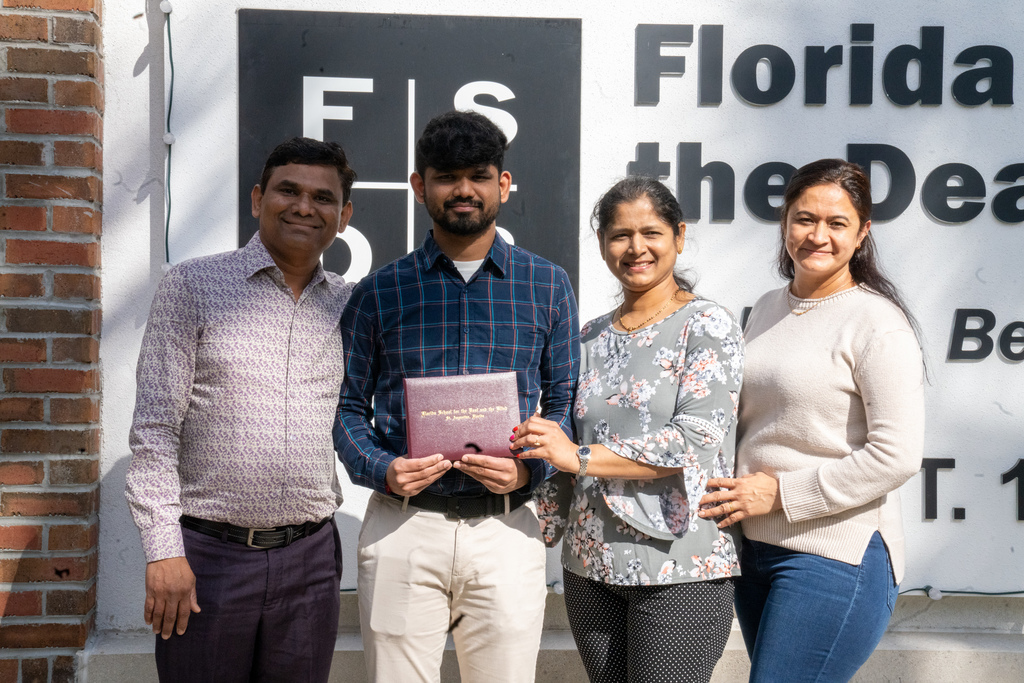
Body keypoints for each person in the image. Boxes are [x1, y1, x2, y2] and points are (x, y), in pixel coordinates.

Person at [334, 110, 580, 682]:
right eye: (446, 175)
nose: (463, 189)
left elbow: (565, 403)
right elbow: (346, 408)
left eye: (478, 174)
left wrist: (528, 475)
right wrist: (383, 468)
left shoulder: (547, 284)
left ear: (504, 183)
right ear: (420, 186)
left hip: (507, 528)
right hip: (403, 528)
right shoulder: (379, 291)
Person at [125, 137, 356, 682]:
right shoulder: (193, 286)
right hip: (207, 558)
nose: (304, 206)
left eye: (323, 198)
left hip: (311, 558)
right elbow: (155, 431)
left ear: (343, 216)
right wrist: (163, 552)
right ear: (257, 198)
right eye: (288, 190)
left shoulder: (352, 304)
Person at [698, 159, 925, 682]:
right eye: (804, 219)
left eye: (837, 223)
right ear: (784, 223)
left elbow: (897, 455)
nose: (817, 236)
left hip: (834, 555)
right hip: (754, 552)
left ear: (863, 232)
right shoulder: (765, 309)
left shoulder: (877, 323)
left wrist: (779, 494)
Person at [513, 176, 743, 683]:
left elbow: (695, 441)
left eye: (651, 233)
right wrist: (519, 526)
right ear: (601, 245)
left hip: (680, 567)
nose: (636, 248)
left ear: (678, 237)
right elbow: (561, 447)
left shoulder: (707, 324)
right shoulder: (588, 335)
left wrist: (581, 457)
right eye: (620, 235)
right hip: (590, 566)